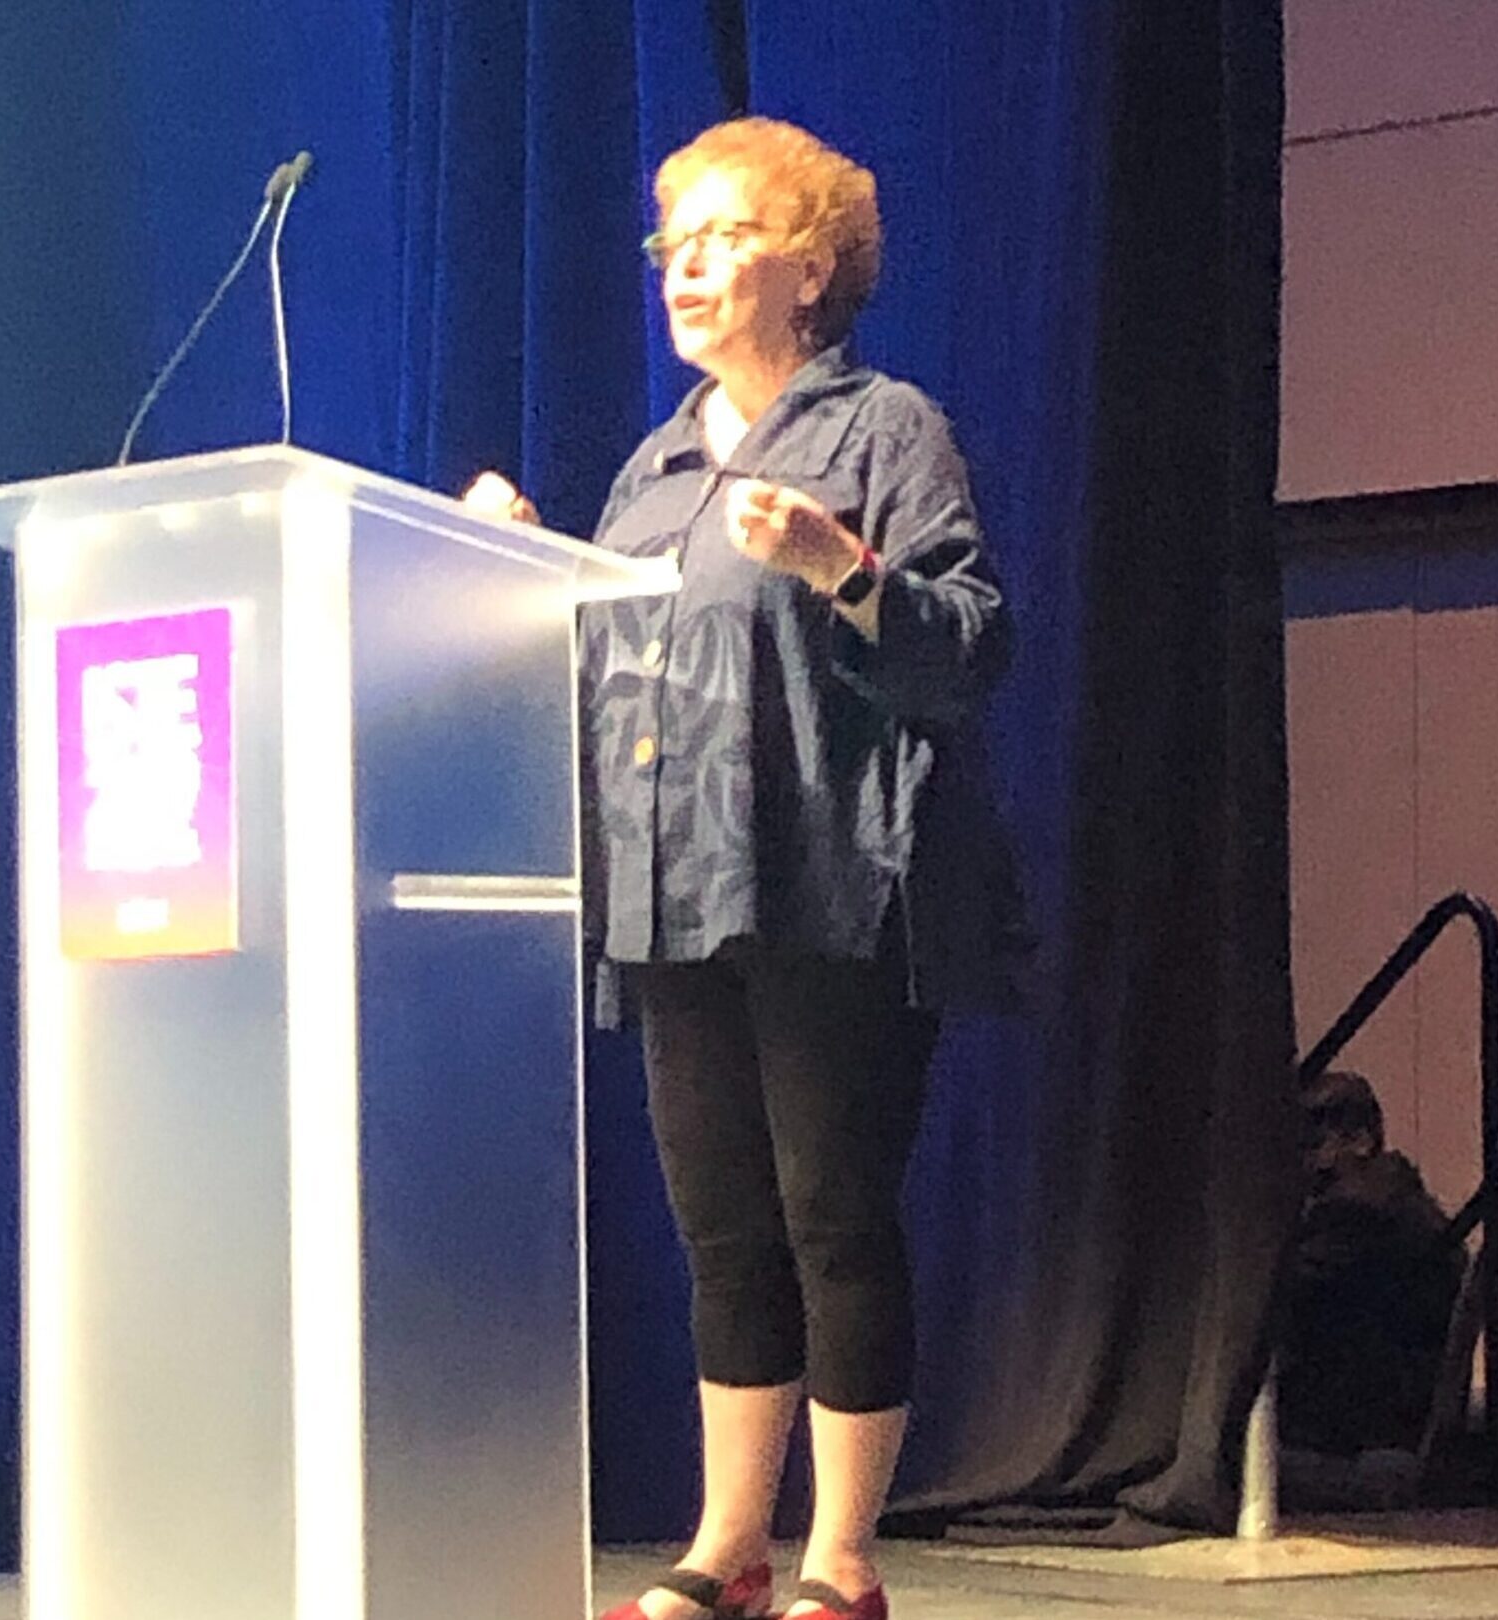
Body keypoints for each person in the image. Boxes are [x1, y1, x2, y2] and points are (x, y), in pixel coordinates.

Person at [469, 116, 1026, 1620]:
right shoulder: (653, 470)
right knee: (721, 1230)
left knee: (832, 1217)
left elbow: (972, 645)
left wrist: (846, 570)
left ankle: (840, 1563)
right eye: (674, 243)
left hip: (832, 889)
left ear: (814, 265)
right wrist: (518, 569)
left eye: (723, 237)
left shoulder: (882, 431)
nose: (687, 266)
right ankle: (728, 1546)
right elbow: (600, 674)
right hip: (673, 892)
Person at [1278, 1070, 1468, 1459]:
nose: (1307, 1163)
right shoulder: (1396, 1198)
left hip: (1357, 1433)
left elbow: (1278, 1298)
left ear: (1361, 1141)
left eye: (1314, 1145)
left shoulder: (1357, 1212)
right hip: (1385, 1416)